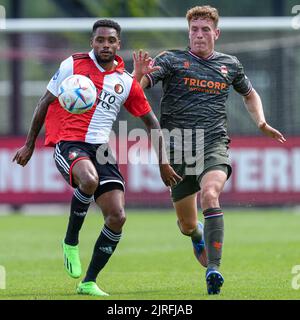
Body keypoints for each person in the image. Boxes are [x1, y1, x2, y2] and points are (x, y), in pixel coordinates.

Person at [13, 19, 181, 297]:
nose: (105, 45)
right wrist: (29, 144)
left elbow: (151, 122)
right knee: (88, 180)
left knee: (117, 216)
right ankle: (70, 241)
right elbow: (44, 101)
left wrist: (163, 163)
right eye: (100, 40)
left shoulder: (125, 82)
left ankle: (88, 281)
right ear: (92, 42)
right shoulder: (72, 65)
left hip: (101, 150)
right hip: (68, 143)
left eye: (111, 40)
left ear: (118, 44)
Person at [133, 5, 286, 295]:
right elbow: (135, 94)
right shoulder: (171, 60)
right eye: (194, 30)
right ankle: (197, 235)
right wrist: (137, 75)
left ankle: (214, 269)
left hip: (213, 144)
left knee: (210, 194)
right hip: (177, 150)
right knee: (186, 225)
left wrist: (262, 122)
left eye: (205, 29)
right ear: (188, 32)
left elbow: (249, 93)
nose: (199, 35)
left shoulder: (230, 65)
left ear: (216, 33)